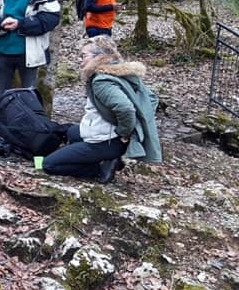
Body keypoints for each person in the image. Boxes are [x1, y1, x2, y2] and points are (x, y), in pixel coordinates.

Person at [42, 35, 161, 183]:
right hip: (108, 134)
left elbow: (126, 109)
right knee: (71, 133)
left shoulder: (102, 81)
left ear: (100, 57)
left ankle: (100, 168)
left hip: (107, 140)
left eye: (84, 56)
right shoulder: (119, 71)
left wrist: (124, 132)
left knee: (49, 164)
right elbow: (151, 98)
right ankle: (101, 157)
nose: (80, 59)